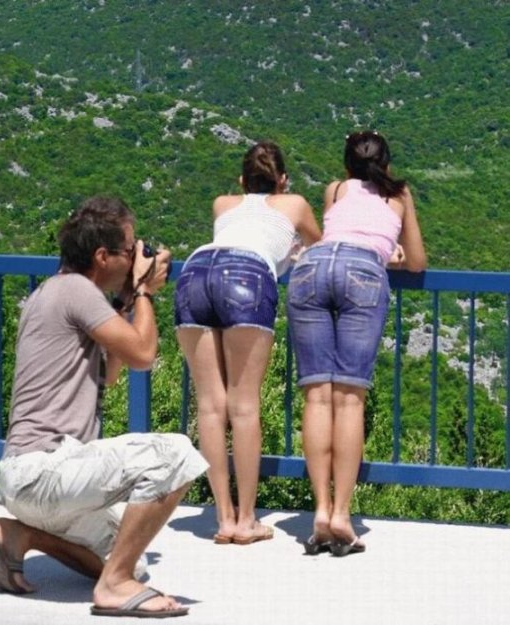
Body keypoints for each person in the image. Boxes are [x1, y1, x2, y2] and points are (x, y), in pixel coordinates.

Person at [0, 196, 208, 618]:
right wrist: (144, 292)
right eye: (129, 250)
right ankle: (114, 588)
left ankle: (23, 535)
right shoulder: (77, 290)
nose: (135, 257)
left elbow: (110, 373)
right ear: (102, 257)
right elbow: (142, 355)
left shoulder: (53, 291)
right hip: (46, 471)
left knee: (131, 557)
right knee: (175, 455)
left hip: (32, 480)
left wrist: (124, 301)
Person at [286, 130, 426, 557]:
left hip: (311, 268)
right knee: (348, 400)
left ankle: (320, 509)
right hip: (362, 273)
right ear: (386, 164)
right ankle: (342, 515)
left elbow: (331, 239)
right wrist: (390, 254)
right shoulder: (399, 193)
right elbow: (417, 263)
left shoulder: (336, 189)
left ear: (347, 165)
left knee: (316, 396)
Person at [174, 141, 321, 544]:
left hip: (195, 273)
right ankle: (246, 519)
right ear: (283, 180)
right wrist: (292, 255)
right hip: (248, 276)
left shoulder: (223, 204)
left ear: (241, 181)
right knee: (244, 405)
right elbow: (320, 246)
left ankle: (222, 517)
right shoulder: (295, 204)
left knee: (210, 404)